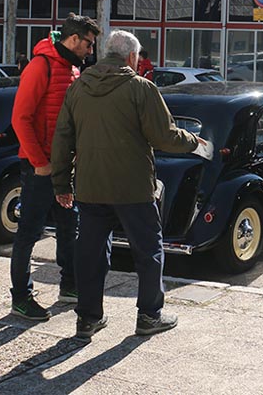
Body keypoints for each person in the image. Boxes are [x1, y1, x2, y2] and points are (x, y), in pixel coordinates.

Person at [51, 29, 207, 341]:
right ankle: (150, 316)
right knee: (148, 251)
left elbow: (63, 138)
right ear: (132, 57)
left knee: (91, 253)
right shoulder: (141, 88)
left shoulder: (79, 86)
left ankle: (87, 319)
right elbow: (164, 136)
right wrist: (195, 142)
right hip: (133, 188)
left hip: (91, 187)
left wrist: (61, 184)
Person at [9, 13, 100, 321]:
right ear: (73, 39)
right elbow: (20, 119)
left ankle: (70, 287)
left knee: (69, 227)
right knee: (28, 234)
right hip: (40, 168)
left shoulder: (72, 68)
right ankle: (21, 297)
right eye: (88, 43)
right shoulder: (41, 66)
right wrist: (41, 164)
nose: (91, 50)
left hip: (64, 167)